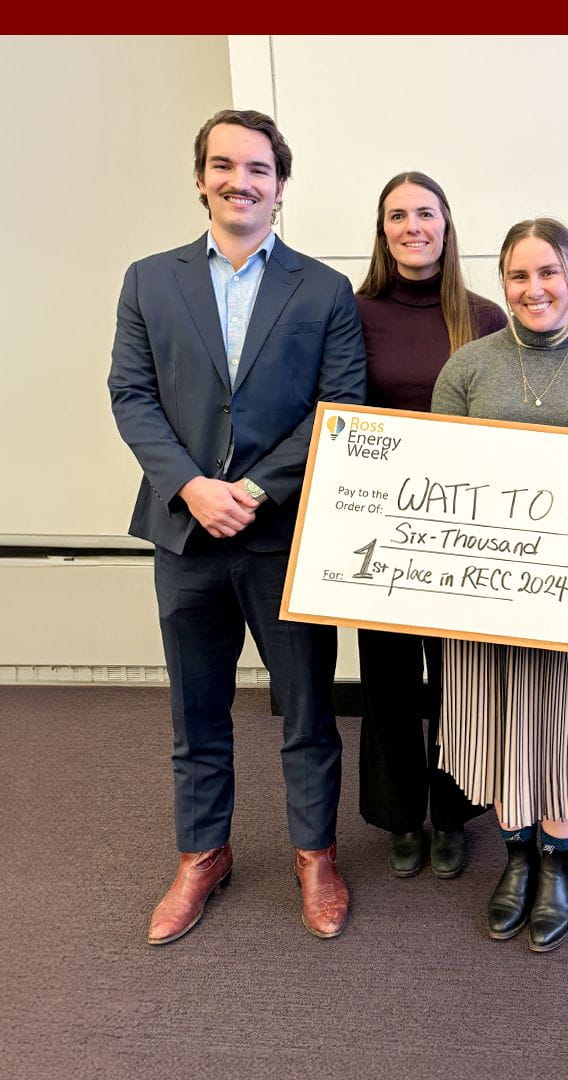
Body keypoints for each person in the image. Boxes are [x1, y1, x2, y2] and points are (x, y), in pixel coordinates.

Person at [108, 109, 367, 944]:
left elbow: (339, 407)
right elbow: (131, 395)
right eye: (223, 165)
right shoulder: (149, 280)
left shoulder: (323, 291)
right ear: (200, 178)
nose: (239, 181)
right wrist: (191, 487)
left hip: (282, 534)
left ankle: (315, 855)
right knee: (197, 711)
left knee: (307, 711)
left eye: (258, 169)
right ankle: (202, 855)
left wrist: (250, 489)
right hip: (185, 533)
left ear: (280, 186)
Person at [431, 218, 568, 952]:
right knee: (494, 721)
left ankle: (557, 860)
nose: (534, 289)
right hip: (486, 590)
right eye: (518, 276)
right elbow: (436, 480)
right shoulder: (466, 368)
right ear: (503, 284)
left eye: (548, 273)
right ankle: (516, 855)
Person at [354, 172, 505, 879]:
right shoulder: (352, 314)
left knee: (456, 676)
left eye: (425, 213)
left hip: (462, 528)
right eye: (397, 215)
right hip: (380, 526)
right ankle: (399, 816)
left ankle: (452, 813)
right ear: (382, 230)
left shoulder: (485, 317)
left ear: (446, 225)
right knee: (386, 676)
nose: (412, 226)